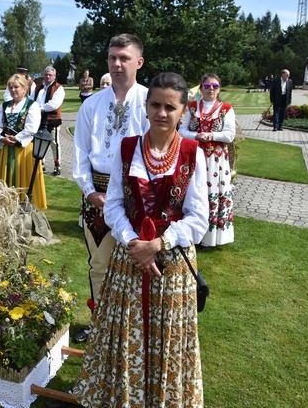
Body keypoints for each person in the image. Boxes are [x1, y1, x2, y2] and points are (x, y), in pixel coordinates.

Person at [73, 72, 209, 408]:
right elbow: (115, 204)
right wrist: (134, 242)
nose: (162, 113)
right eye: (156, 105)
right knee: (127, 332)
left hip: (173, 263)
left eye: (170, 107)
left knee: (168, 336)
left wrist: (159, 244)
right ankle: (125, 398)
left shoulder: (193, 153)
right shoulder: (128, 148)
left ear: (183, 112)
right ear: (146, 108)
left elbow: (198, 217)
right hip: (130, 256)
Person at [72, 33, 150, 344]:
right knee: (100, 263)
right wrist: (89, 191)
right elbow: (79, 153)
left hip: (135, 197)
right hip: (98, 194)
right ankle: (101, 325)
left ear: (139, 62)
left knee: (136, 264)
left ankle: (132, 330)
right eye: (112, 58)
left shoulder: (149, 102)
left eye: (124, 58)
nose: (117, 64)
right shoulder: (91, 105)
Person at [179, 73, 235, 247]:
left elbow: (229, 135)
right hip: (194, 156)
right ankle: (190, 232)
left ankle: (212, 236)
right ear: (201, 87)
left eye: (215, 86)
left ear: (219, 89)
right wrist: (196, 135)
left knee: (213, 192)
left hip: (216, 161)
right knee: (194, 191)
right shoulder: (192, 107)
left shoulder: (226, 108)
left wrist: (210, 135)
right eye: (207, 86)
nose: (211, 89)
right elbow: (181, 131)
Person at [0, 73, 46, 209]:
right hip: (6, 149)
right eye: (11, 87)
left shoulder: (32, 105)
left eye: (16, 87)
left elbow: (31, 128)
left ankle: (26, 208)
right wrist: (2, 138)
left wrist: (16, 138)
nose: (13, 90)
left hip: (24, 150)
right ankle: (6, 207)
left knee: (25, 179)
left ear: (24, 88)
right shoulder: (4, 106)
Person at [34, 65, 65, 176]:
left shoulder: (58, 88)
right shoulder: (38, 88)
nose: (48, 77)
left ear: (54, 76)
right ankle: (40, 164)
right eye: (46, 74)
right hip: (38, 119)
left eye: (50, 75)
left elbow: (54, 104)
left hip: (53, 119)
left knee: (54, 143)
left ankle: (57, 165)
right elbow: (31, 101)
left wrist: (38, 108)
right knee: (39, 141)